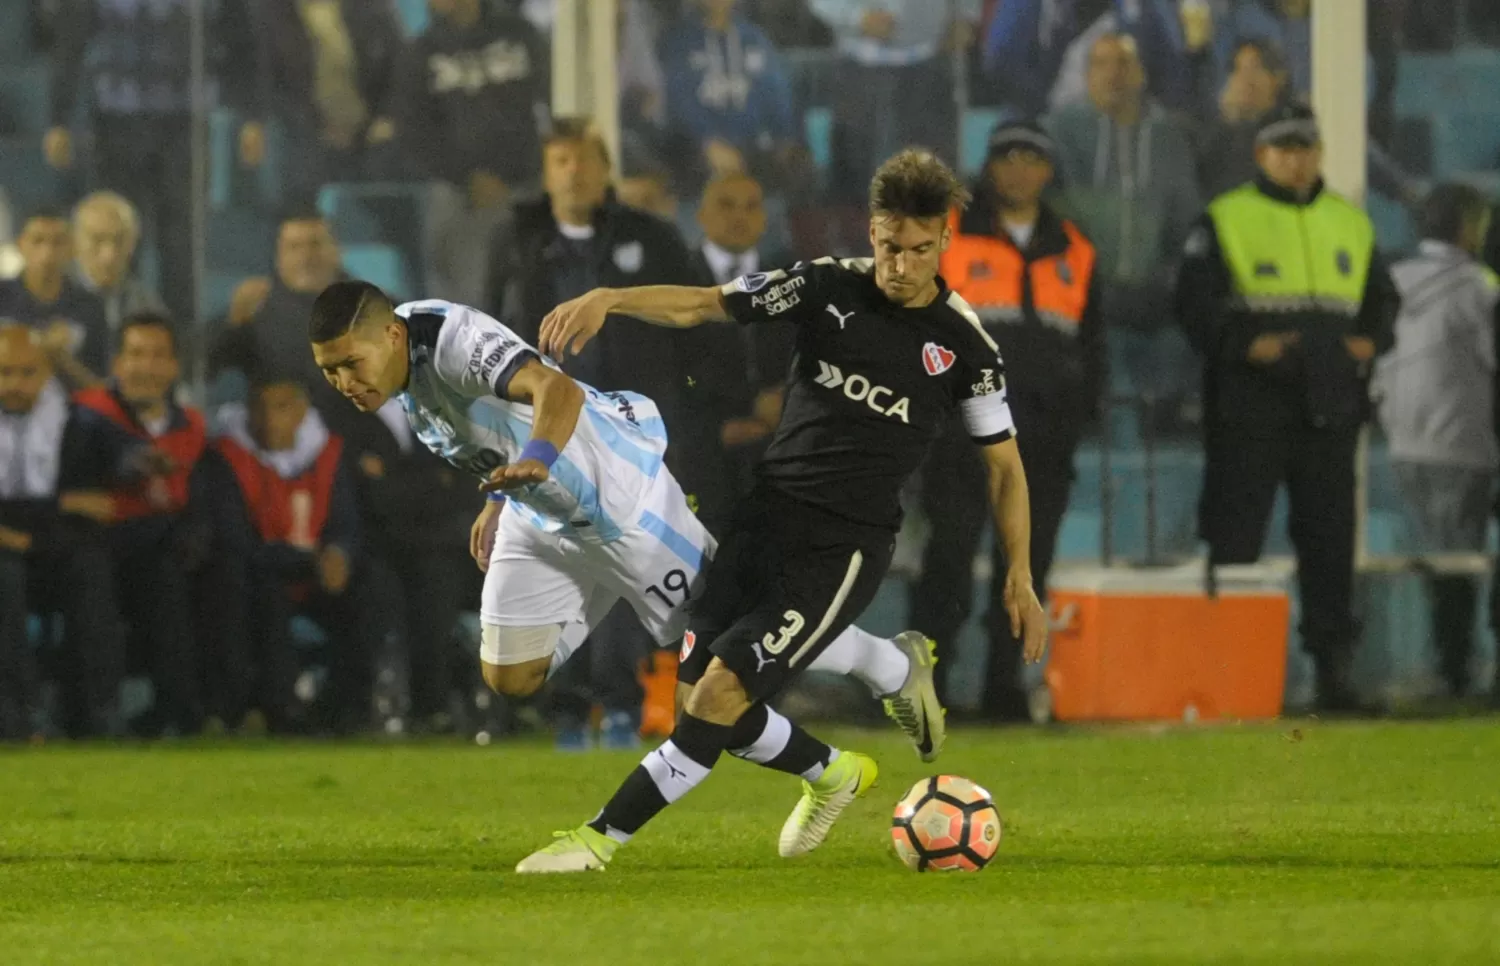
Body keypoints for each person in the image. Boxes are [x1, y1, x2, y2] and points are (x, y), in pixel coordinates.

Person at [517, 148, 1048, 873]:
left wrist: (1019, 573)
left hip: (845, 546)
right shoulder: (824, 286)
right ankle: (833, 768)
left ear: (944, 241)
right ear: (872, 232)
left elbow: (1005, 467)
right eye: (890, 246)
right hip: (765, 516)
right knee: (702, 705)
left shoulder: (964, 347)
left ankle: (597, 841)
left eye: (920, 250)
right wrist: (612, 296)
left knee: (719, 695)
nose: (901, 264)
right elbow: (705, 304)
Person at [307, 284, 937, 751]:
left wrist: (535, 462)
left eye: (349, 364)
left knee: (727, 658)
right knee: (511, 676)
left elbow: (558, 393)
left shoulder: (451, 343)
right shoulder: (399, 354)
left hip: (620, 502)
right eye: (329, 370)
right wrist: (497, 497)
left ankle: (890, 675)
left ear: (390, 336)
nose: (341, 381)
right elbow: (490, 425)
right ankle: (603, 584)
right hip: (542, 509)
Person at [486, 117, 706, 746]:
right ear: (546, 170)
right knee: (562, 558)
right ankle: (565, 707)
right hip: (547, 438)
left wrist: (680, 419)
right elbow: (491, 332)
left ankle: (617, 702)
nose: (573, 172)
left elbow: (688, 327)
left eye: (583, 160)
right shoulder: (517, 241)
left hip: (632, 437)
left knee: (626, 567)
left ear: (605, 168)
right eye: (560, 160)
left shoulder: (652, 238)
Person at [1176, 103, 1400, 712]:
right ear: (1261, 155)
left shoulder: (1350, 222)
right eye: (1283, 147)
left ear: (1319, 153)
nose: (1295, 158)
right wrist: (1247, 345)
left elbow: (1384, 300)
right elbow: (1195, 302)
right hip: (1251, 403)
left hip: (1328, 403)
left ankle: (1334, 675)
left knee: (1330, 542)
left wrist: (1371, 341)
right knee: (1235, 534)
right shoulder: (1225, 218)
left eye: (1305, 146)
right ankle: (1227, 675)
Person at [914, 120, 1103, 720]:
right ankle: (928, 693)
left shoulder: (1075, 246)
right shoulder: (947, 235)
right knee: (947, 560)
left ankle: (1005, 690)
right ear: (990, 168)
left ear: (1047, 170)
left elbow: (1093, 346)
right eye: (1008, 157)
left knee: (1026, 567)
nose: (1019, 170)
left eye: (1031, 158)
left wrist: (1081, 414)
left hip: (1042, 439)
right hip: (958, 433)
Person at [45, 0, 259, 322]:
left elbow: (241, 40)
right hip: (115, 122)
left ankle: (180, 347)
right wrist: (58, 118)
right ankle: (111, 336)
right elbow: (71, 40)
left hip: (186, 123)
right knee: (114, 239)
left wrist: (252, 115)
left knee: (182, 245)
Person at [1373, 184, 1498, 702]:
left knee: (1439, 558)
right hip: (1463, 443)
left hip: (1403, 442)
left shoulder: (1391, 280)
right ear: (1469, 227)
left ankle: (1451, 665)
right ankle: (1457, 673)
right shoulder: (1478, 288)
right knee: (1461, 561)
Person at [201, 373, 373, 734]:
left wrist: (340, 554)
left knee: (373, 591)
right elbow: (236, 542)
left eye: (280, 407)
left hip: (314, 575)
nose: (268, 419)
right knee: (257, 589)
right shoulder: (227, 458)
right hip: (260, 575)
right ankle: (271, 709)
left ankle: (349, 711)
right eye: (259, 408)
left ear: (301, 411)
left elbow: (347, 523)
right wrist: (308, 560)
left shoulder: (328, 453)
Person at [1047, 32, 1200, 434]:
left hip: (1157, 294)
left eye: (1123, 62)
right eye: (1100, 63)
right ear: (1087, 74)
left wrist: (1171, 276)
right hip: (1087, 292)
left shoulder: (1169, 137)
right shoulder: (1061, 134)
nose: (1113, 73)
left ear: (1141, 74)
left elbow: (1186, 219)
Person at [73, 313, 211, 736]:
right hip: (93, 546)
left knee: (192, 568)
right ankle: (98, 715)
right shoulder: (86, 414)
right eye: (135, 355)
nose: (146, 367)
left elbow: (200, 499)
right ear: (116, 364)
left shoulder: (192, 426)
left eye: (157, 356)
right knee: (90, 575)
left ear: (173, 368)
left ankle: (186, 712)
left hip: (157, 546)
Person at [0, 325, 127, 740]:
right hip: (9, 550)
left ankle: (98, 712)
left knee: (91, 567)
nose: (14, 384)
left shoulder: (77, 424)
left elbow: (103, 501)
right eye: (3, 373)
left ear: (46, 374)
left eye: (26, 372)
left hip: (52, 546)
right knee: (6, 576)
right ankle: (16, 714)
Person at [680, 171, 796, 533]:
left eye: (751, 207)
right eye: (726, 205)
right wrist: (723, 424)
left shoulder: (790, 282)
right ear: (701, 215)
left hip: (774, 457)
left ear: (764, 219)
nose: (739, 216)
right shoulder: (677, 280)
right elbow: (670, 369)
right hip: (700, 459)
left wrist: (779, 409)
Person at [809, 0, 980, 199]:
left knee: (932, 179)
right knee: (859, 180)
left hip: (930, 63)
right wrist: (856, 17)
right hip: (861, 69)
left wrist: (966, 15)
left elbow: (966, 17)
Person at [250, 0, 402, 203]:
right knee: (304, 167)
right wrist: (318, 126)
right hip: (305, 134)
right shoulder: (274, 12)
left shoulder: (372, 7)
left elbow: (401, 71)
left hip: (372, 132)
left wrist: (385, 119)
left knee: (394, 165)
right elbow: (268, 85)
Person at [656, 0, 800, 192]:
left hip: (755, 153)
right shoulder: (677, 42)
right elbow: (678, 103)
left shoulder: (755, 39)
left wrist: (785, 142)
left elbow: (777, 98)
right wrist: (706, 142)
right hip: (699, 157)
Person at [0, 208, 110, 389]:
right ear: (21, 245)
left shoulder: (90, 306)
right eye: (38, 241)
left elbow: (101, 389)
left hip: (72, 411)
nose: (47, 252)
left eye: (58, 242)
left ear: (72, 249)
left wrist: (61, 357)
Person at [69, 192, 169, 335]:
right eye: (97, 240)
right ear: (75, 241)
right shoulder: (56, 295)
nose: (109, 254)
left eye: (119, 240)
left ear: (133, 244)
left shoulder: (146, 307)